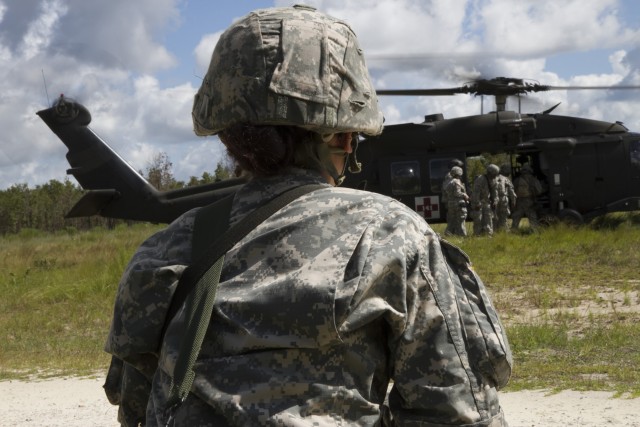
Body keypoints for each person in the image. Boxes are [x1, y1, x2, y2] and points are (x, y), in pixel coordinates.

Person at [104, 5, 512, 426]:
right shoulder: (390, 235)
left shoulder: (162, 253)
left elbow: (136, 411)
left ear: (226, 130)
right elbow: (457, 412)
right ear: (343, 133)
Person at [511, 163, 543, 230]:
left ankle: (513, 230)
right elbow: (539, 191)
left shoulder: (517, 180)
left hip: (519, 201)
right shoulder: (533, 180)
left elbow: (512, 190)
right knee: (532, 216)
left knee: (516, 216)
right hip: (530, 201)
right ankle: (535, 231)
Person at [472, 164, 500, 236]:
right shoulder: (480, 179)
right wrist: (477, 203)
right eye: (494, 174)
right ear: (489, 172)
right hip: (479, 202)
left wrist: (495, 201)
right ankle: (477, 234)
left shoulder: (494, 180)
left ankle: (488, 234)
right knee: (478, 219)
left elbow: (495, 191)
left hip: (487, 202)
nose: (495, 176)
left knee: (488, 218)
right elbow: (476, 192)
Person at [444, 166, 469, 236]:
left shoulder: (449, 181)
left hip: (451, 204)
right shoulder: (457, 181)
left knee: (452, 221)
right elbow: (457, 193)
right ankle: (462, 236)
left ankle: (448, 234)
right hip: (458, 204)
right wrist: (464, 195)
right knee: (461, 220)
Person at [494, 164, 517, 231]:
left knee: (494, 217)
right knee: (503, 216)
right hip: (503, 199)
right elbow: (511, 192)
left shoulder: (492, 178)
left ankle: (495, 231)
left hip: (494, 200)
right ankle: (504, 230)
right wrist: (513, 201)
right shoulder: (505, 179)